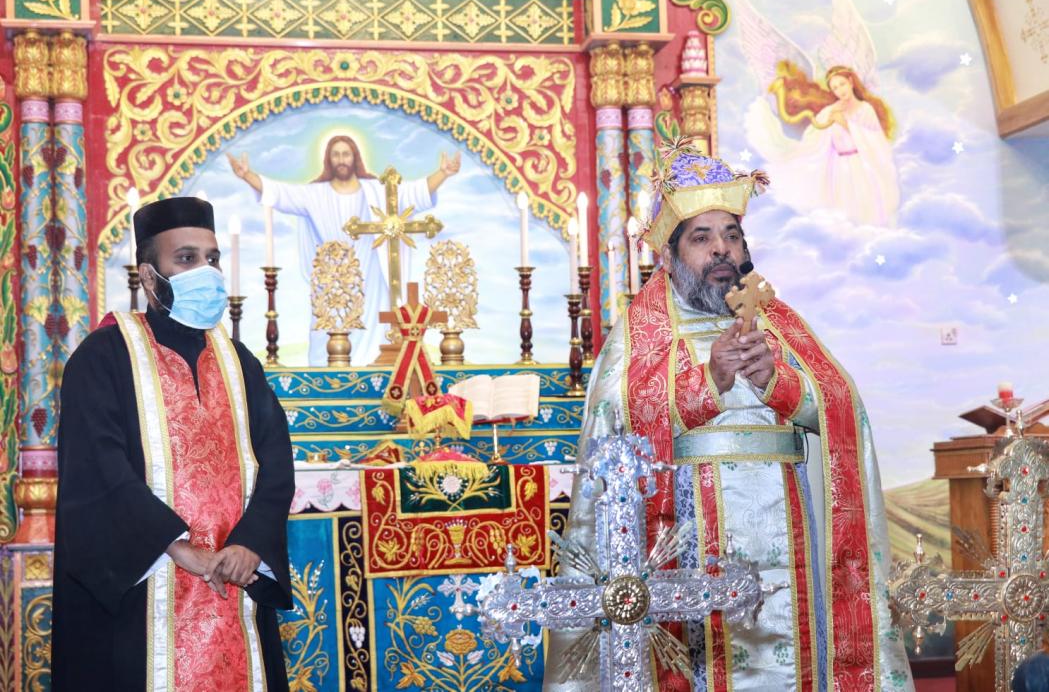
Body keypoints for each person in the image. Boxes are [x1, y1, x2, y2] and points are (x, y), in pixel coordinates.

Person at [544, 143, 913, 691]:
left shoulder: (781, 322)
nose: (721, 249)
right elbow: (615, 431)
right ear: (669, 256)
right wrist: (707, 382)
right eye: (701, 237)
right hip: (689, 555)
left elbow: (843, 411)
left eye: (732, 235)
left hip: (792, 556)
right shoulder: (641, 334)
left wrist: (778, 383)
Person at [52, 196, 295, 691]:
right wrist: (176, 547)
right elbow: (98, 469)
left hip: (235, 581)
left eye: (212, 258)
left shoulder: (240, 361)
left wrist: (250, 542)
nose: (206, 271)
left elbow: (276, 461)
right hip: (141, 593)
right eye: (186, 258)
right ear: (148, 276)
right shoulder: (102, 357)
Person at [227, 135, 461, 365]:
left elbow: (415, 193)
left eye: (346, 154)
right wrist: (247, 175)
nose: (341, 159)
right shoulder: (315, 194)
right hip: (333, 279)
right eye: (336, 154)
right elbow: (280, 193)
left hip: (372, 276)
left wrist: (444, 173)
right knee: (327, 337)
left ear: (355, 157)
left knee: (376, 332)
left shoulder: (377, 191)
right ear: (328, 159)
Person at [748, 62, 900, 227]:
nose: (840, 90)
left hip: (860, 168)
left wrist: (845, 124)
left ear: (850, 82)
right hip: (838, 169)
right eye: (835, 88)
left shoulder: (865, 109)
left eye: (842, 84)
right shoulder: (831, 110)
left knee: (863, 211)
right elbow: (816, 133)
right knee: (841, 213)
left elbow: (876, 142)